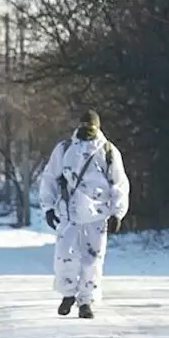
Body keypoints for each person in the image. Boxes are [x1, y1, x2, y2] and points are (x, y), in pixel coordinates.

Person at [38, 109, 130, 318]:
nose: (87, 130)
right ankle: (68, 293)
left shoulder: (108, 151)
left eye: (91, 126)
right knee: (64, 257)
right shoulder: (64, 149)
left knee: (93, 259)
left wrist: (118, 212)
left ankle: (86, 301)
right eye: (84, 125)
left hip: (97, 214)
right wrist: (48, 207)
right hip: (68, 211)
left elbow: (119, 183)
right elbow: (50, 178)